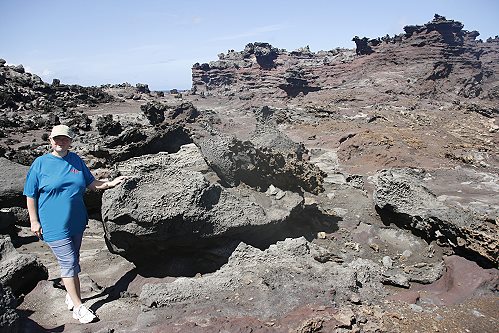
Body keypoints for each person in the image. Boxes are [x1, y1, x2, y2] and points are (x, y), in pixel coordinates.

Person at [23, 124, 127, 324]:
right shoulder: (40, 163)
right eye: (56, 139)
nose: (60, 142)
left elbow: (91, 183)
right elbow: (30, 194)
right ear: (50, 141)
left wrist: (110, 183)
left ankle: (70, 295)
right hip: (53, 223)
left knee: (73, 260)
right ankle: (79, 308)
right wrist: (34, 221)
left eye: (64, 139)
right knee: (69, 263)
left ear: (70, 141)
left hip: (77, 221)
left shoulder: (76, 160)